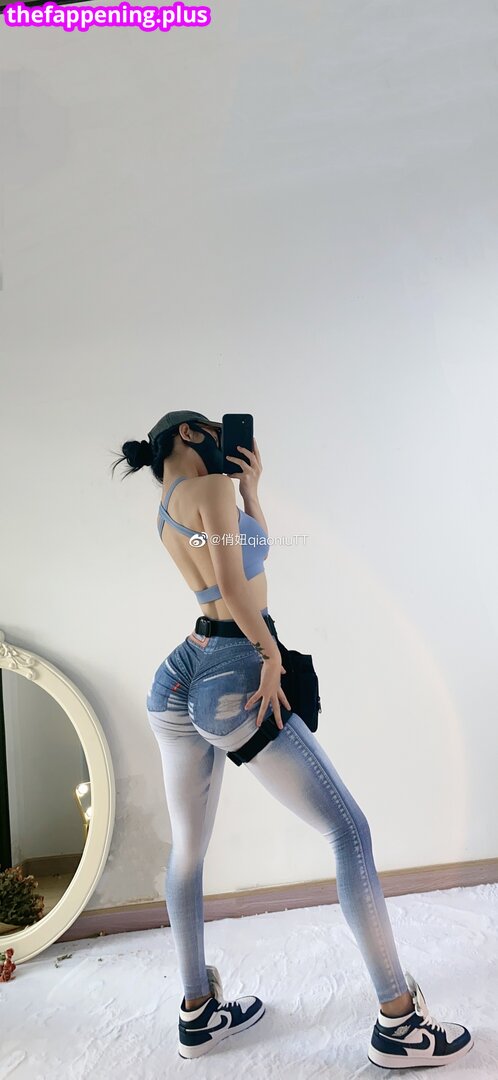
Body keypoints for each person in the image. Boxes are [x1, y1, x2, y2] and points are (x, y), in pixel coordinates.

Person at [112, 409, 473, 1068]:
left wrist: (252, 494)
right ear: (189, 434)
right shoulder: (209, 486)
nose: (224, 440)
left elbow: (241, 563)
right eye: (213, 431)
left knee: (188, 851)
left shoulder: (169, 504)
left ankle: (197, 1012)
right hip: (234, 668)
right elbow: (234, 583)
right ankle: (399, 1023)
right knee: (350, 832)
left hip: (183, 670)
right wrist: (270, 653)